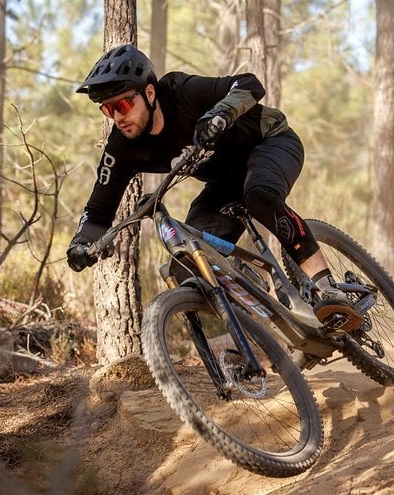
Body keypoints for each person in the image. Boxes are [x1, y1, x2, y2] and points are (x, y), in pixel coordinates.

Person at [65, 43, 364, 332]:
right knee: (187, 260)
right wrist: (81, 243)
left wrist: (220, 114)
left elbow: (249, 84)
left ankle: (327, 289)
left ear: (150, 92)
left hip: (271, 142)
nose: (117, 117)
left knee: (259, 195)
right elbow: (98, 210)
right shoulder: (122, 148)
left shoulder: (179, 91)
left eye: (123, 104)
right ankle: (259, 320)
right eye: (107, 110)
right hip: (226, 182)